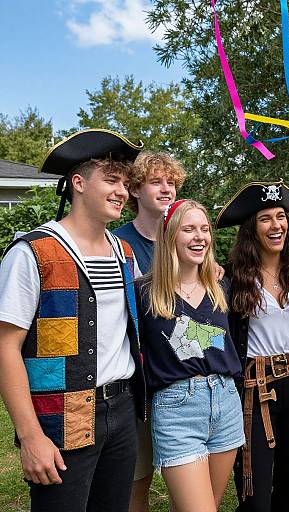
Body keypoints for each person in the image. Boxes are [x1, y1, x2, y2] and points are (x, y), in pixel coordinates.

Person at [0, 129, 146, 512]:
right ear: (78, 183)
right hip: (62, 418)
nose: (122, 192)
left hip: (121, 410)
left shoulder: (124, 252)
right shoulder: (34, 252)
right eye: (111, 180)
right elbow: (5, 347)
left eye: (126, 184)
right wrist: (30, 436)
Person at [136, 199, 244, 512]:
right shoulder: (145, 291)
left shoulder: (220, 286)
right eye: (188, 229)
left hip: (226, 404)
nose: (199, 236)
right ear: (170, 235)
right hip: (177, 408)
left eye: (204, 229)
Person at [216, 180, 289, 512]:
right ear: (251, 229)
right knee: (254, 494)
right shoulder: (232, 277)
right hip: (253, 388)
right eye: (265, 219)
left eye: (280, 216)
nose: (276, 225)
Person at [113, 150, 186, 512]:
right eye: (156, 182)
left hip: (179, 377)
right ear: (135, 191)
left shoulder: (184, 239)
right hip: (137, 380)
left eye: (171, 183)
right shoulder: (117, 243)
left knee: (183, 477)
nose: (166, 189)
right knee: (136, 479)